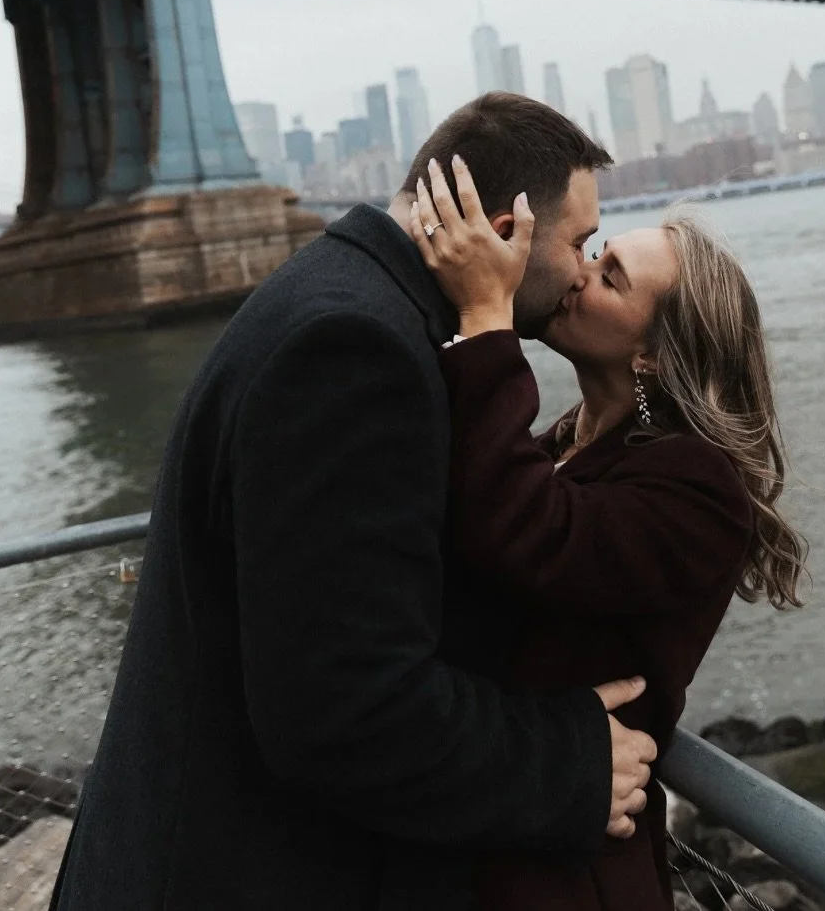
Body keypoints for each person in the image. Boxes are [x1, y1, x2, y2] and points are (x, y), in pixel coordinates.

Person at [49, 94, 658, 911]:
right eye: (581, 242)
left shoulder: (342, 295)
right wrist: (569, 765)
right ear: (502, 229)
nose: (585, 270)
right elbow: (344, 709)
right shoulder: (356, 351)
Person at [410, 156, 808, 910]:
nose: (579, 274)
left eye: (612, 275)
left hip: (565, 870)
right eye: (593, 253)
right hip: (506, 815)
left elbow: (523, 536)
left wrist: (486, 321)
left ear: (654, 354)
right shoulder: (567, 440)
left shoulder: (698, 488)